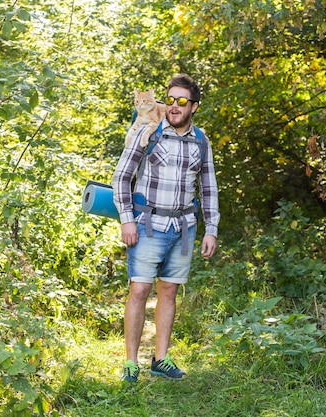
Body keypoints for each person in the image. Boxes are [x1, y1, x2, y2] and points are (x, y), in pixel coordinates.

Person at [111, 74, 220, 382]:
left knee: (169, 291)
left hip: (184, 227)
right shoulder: (149, 133)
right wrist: (127, 219)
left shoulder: (201, 141)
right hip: (147, 224)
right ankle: (131, 363)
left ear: (194, 106)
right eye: (170, 99)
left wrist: (211, 228)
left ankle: (160, 359)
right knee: (139, 289)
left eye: (181, 101)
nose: (174, 106)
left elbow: (209, 187)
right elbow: (121, 178)